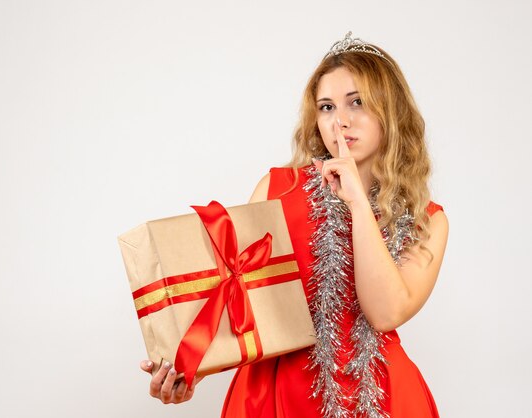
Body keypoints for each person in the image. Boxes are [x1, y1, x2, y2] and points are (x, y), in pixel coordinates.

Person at [139, 32, 449, 417]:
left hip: (384, 398)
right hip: (275, 396)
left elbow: (384, 313)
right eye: (326, 107)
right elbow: (239, 303)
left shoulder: (427, 219)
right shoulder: (277, 189)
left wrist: (355, 200)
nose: (341, 121)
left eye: (358, 102)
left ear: (392, 110)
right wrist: (193, 369)